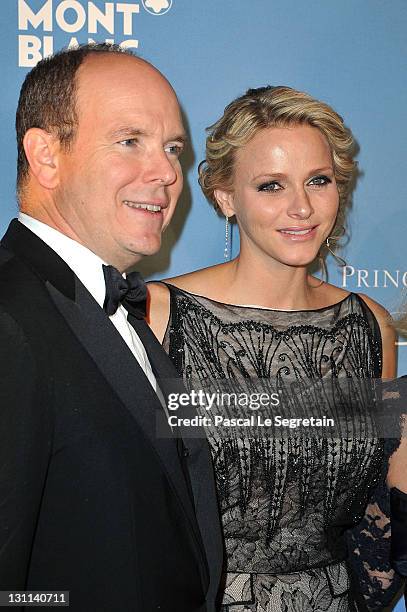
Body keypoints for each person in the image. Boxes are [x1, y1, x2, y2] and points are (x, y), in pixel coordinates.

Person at [148, 86, 406, 611]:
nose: (302, 207)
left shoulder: (367, 326)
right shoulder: (159, 318)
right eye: (271, 185)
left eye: (319, 180)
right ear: (224, 196)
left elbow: (390, 499)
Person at [0, 43, 223, 611]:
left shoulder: (118, 303)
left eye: (173, 148)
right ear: (46, 156)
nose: (169, 172)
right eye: (130, 141)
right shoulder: (8, 318)